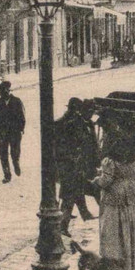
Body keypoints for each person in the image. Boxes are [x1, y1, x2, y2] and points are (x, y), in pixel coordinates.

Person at [94, 135, 135, 270]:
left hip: (116, 195)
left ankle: (118, 267)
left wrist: (96, 180)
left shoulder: (110, 161)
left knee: (114, 230)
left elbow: (106, 181)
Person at [54, 98, 99, 231]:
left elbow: (92, 145)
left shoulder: (88, 124)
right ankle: (63, 225)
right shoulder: (72, 124)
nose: (91, 114)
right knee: (70, 195)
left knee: (77, 192)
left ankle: (83, 215)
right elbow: (64, 145)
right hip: (72, 166)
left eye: (92, 112)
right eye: (89, 111)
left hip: (84, 167)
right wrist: (72, 159)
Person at [0, 80, 25, 183]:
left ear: (6, 91)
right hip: (2, 132)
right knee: (3, 154)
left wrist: (21, 129)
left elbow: (22, 117)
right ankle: (7, 174)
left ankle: (16, 163)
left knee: (14, 152)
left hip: (14, 132)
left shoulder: (17, 101)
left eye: (0, 91)